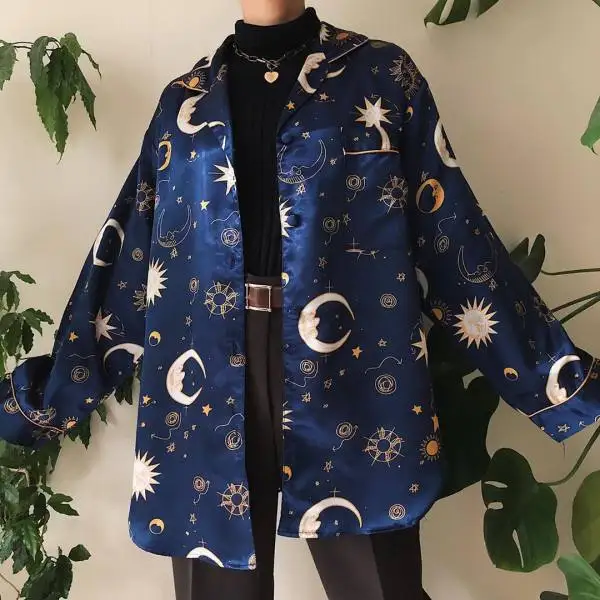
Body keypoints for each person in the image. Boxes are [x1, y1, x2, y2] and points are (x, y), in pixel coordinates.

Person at [1, 2, 599, 599]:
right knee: (216, 588)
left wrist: (558, 378)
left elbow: (452, 235)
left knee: (380, 586)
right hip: (205, 370)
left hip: (352, 366)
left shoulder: (380, 75)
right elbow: (131, 257)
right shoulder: (184, 104)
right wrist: (48, 397)